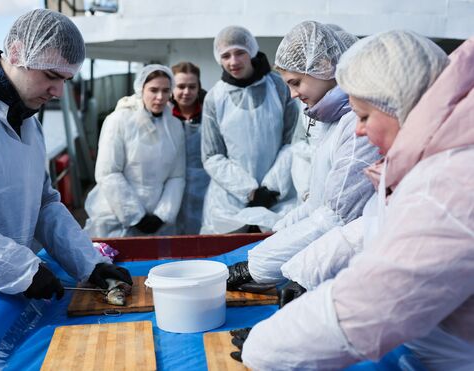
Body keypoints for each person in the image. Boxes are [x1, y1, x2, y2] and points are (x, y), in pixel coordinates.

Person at [239, 30, 474, 370]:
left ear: (398, 104)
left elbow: (371, 307)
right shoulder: (430, 162)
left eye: (364, 117)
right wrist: (303, 273)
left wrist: (266, 344)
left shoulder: (450, 182)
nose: (359, 131)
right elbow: (372, 229)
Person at [0, 9, 132, 355]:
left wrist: (90, 263)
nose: (58, 92)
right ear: (18, 54)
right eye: (51, 76)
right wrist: (20, 267)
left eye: (66, 80)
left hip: (7, 299)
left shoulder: (29, 121)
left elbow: (44, 203)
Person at [227, 21, 380, 290]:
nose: (294, 94)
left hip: (350, 269)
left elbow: (337, 219)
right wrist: (280, 231)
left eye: (296, 82)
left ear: (323, 66)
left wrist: (259, 265)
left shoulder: (355, 122)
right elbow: (319, 204)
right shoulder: (332, 120)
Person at [201, 25, 301, 234]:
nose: (233, 61)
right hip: (230, 202)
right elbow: (212, 155)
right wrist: (250, 191)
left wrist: (270, 188)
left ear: (252, 51)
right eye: (226, 55)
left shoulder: (279, 86)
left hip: (278, 196)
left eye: (240, 53)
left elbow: (293, 141)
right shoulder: (214, 97)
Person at [84, 64, 186, 237]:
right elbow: (108, 172)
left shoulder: (175, 126)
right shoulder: (118, 120)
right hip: (116, 217)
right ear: (141, 89)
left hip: (158, 222)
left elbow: (177, 175)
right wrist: (136, 216)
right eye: (153, 90)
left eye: (166, 90)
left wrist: (163, 215)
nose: (160, 97)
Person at [170, 61, 210, 235]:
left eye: (192, 87)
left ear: (199, 87)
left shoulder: (210, 112)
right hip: (170, 188)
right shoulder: (163, 115)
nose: (186, 92)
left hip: (206, 187)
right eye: (180, 86)